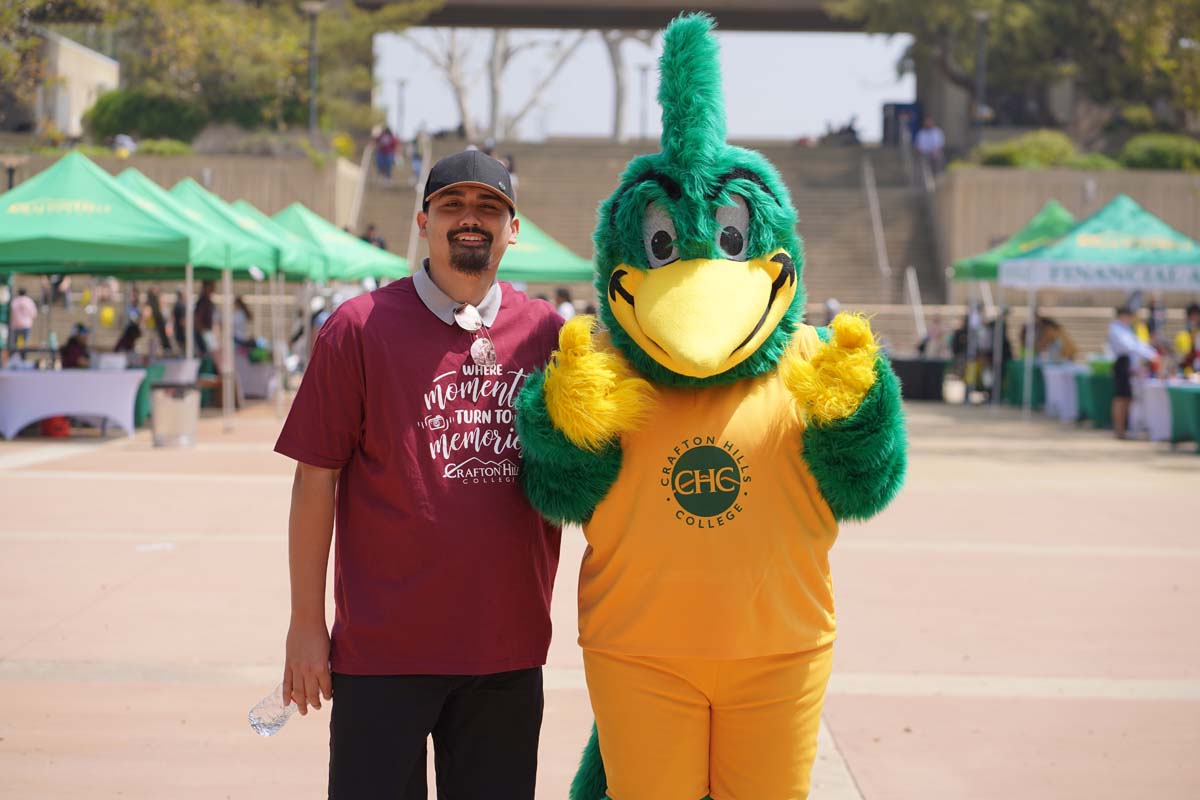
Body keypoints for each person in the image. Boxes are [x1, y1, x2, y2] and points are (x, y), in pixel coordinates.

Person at [274, 149, 564, 799]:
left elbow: (586, 476)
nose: (470, 218)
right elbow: (314, 480)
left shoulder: (547, 334)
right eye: (452, 205)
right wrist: (305, 624)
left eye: (489, 207)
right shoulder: (358, 328)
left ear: (513, 229)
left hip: (506, 650)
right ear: (423, 221)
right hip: (384, 653)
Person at [1109, 306, 1157, 439]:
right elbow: (1131, 346)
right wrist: (1151, 355)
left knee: (1126, 397)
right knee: (1121, 397)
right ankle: (1119, 429)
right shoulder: (1116, 329)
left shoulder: (1126, 329)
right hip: (1122, 363)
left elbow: (1137, 344)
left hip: (1127, 363)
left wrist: (1152, 353)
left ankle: (1122, 428)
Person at [194, 280, 216, 356]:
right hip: (203, 333)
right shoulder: (203, 302)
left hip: (206, 332)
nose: (213, 289)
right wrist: (205, 332)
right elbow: (197, 318)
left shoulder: (208, 301)